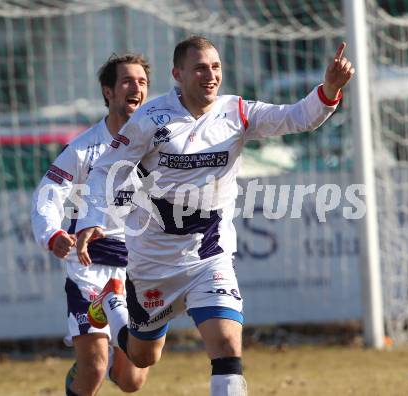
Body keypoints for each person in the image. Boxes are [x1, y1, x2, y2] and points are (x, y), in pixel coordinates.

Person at [75, 36, 354, 396]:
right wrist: (90, 219)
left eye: (216, 67)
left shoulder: (236, 113)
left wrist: (328, 89)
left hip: (209, 257)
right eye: (200, 68)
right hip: (154, 261)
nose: (211, 75)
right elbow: (105, 170)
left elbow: (296, 117)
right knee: (143, 358)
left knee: (226, 346)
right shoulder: (151, 119)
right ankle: (114, 301)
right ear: (178, 74)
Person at [31, 53, 151, 396]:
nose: (136, 88)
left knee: (131, 380)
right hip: (90, 266)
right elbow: (47, 194)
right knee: (94, 368)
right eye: (127, 81)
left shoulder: (157, 144)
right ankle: (91, 358)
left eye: (142, 82)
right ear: (108, 92)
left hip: (139, 269)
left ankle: (113, 353)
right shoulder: (83, 148)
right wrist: (52, 234)